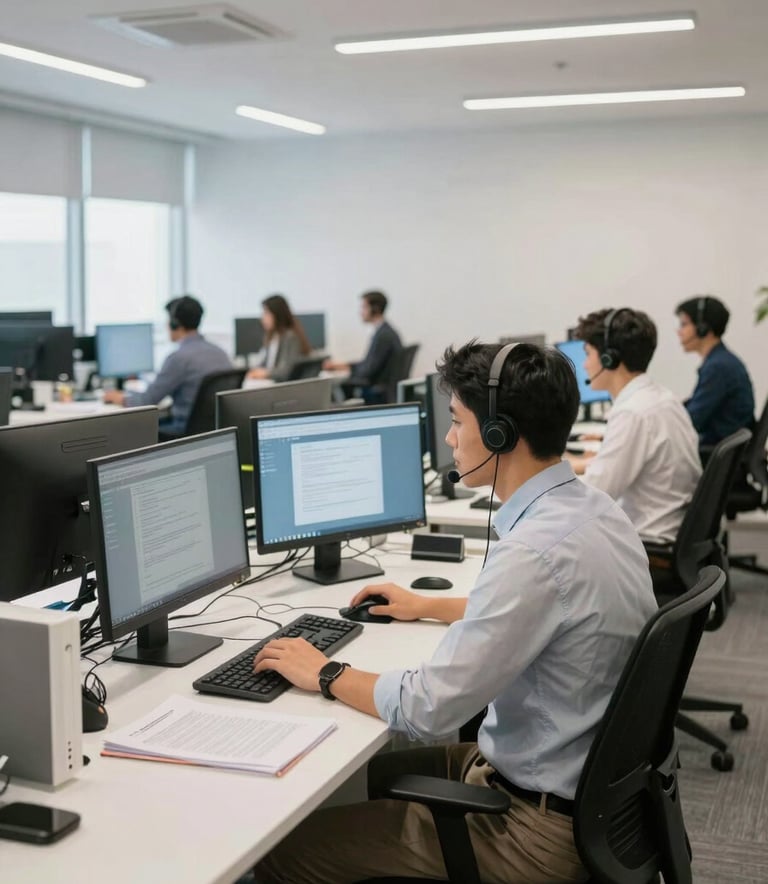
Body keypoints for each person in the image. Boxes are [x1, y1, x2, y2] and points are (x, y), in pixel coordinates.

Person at [252, 340, 657, 884]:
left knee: (284, 849)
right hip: (592, 800)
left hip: (533, 833)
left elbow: (428, 710)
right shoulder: (595, 511)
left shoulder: (532, 554)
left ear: (499, 435)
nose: (449, 439)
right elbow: (552, 612)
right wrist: (427, 605)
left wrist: (324, 671)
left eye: (456, 421)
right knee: (365, 774)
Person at [565, 308, 701, 544]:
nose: (585, 365)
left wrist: (537, 478)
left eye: (588, 354)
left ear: (609, 358)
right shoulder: (661, 397)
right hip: (672, 530)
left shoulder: (633, 413)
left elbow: (594, 495)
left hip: (648, 542)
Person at [103, 295, 231, 436]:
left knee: (128, 432)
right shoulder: (221, 353)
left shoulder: (178, 358)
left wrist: (118, 397)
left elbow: (147, 401)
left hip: (183, 433)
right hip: (213, 432)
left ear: (174, 324)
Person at [676, 295, 755, 447]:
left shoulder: (718, 368)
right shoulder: (722, 361)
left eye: (684, 324)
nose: (679, 332)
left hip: (713, 454)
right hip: (726, 454)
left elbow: (692, 421)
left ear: (703, 328)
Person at [323, 290, 402, 401]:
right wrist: (339, 366)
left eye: (364, 307)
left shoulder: (382, 336)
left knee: (333, 390)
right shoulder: (385, 331)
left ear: (375, 309)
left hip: (377, 394)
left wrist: (342, 377)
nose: (360, 312)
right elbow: (368, 364)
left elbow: (366, 372)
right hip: (385, 390)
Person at [246, 294, 311, 382]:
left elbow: (285, 372)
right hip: (270, 383)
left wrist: (265, 373)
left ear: (277, 314)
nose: (263, 318)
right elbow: (264, 364)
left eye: (266, 313)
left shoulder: (290, 337)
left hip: (280, 386)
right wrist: (253, 371)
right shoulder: (273, 337)